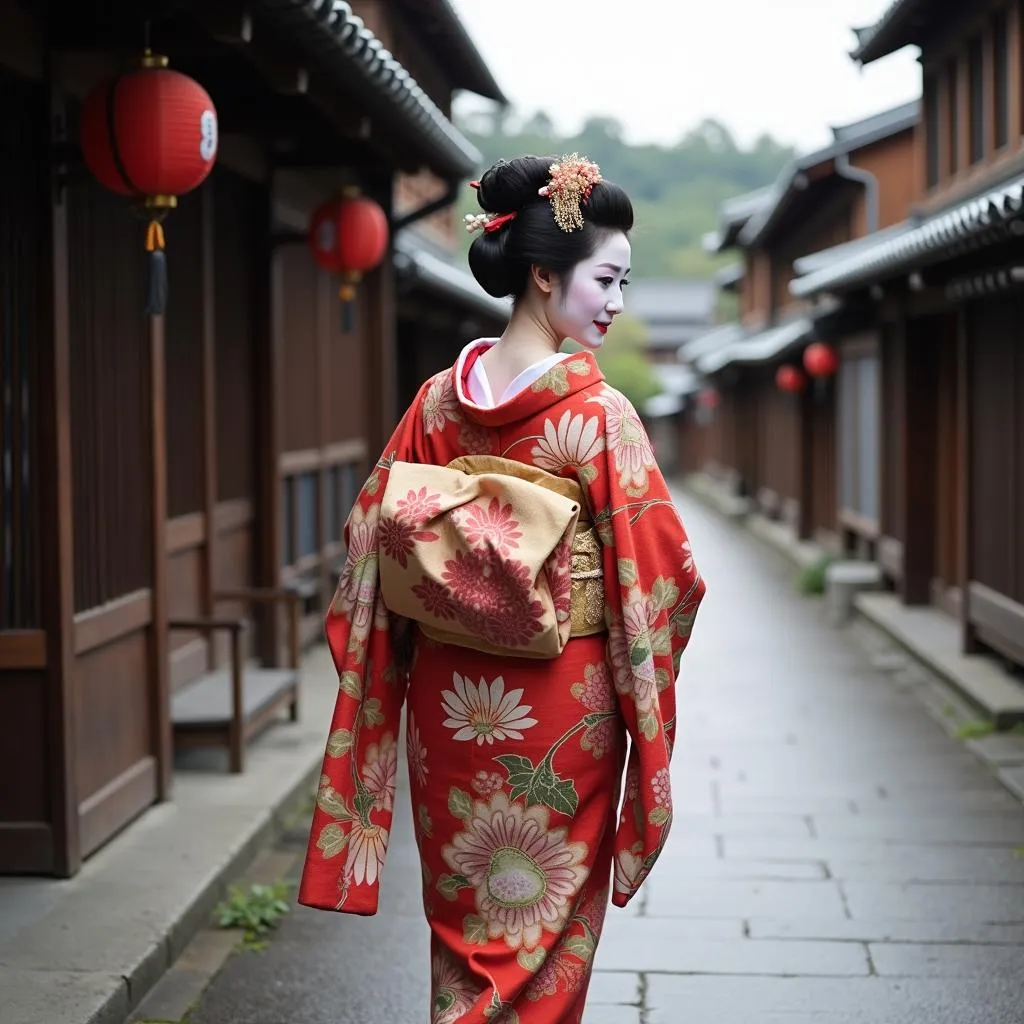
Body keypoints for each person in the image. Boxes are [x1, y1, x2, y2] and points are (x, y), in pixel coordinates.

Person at [298, 154, 706, 1023]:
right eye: (606, 279)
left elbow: (368, 537)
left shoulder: (436, 406)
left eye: (625, 281)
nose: (618, 302)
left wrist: (452, 574)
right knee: (546, 928)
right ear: (543, 274)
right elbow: (666, 574)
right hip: (562, 709)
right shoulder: (599, 418)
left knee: (466, 927)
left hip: (451, 711)